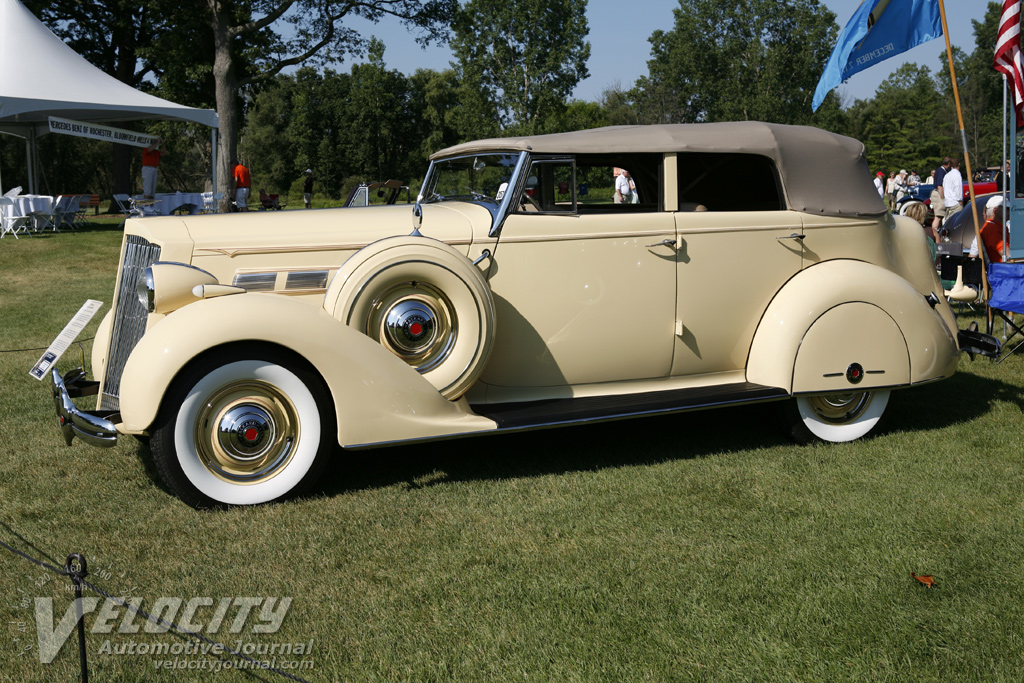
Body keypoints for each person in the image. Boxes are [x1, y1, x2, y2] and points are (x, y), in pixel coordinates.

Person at [968, 195, 1008, 264]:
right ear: (996, 210)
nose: (1010, 211)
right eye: (1007, 208)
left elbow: (971, 257)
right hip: (1005, 270)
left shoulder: (993, 227)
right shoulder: (993, 229)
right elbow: (1007, 255)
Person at [931, 157, 952, 235]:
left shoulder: (941, 170)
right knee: (938, 216)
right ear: (949, 163)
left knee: (940, 216)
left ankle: (937, 234)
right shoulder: (941, 171)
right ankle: (934, 233)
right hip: (939, 194)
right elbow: (939, 186)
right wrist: (943, 198)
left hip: (938, 193)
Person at [942, 158, 963, 224]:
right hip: (955, 202)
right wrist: (960, 200)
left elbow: (944, 187)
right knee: (956, 223)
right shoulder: (957, 174)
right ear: (959, 164)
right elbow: (958, 187)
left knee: (948, 223)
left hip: (948, 202)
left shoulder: (947, 175)